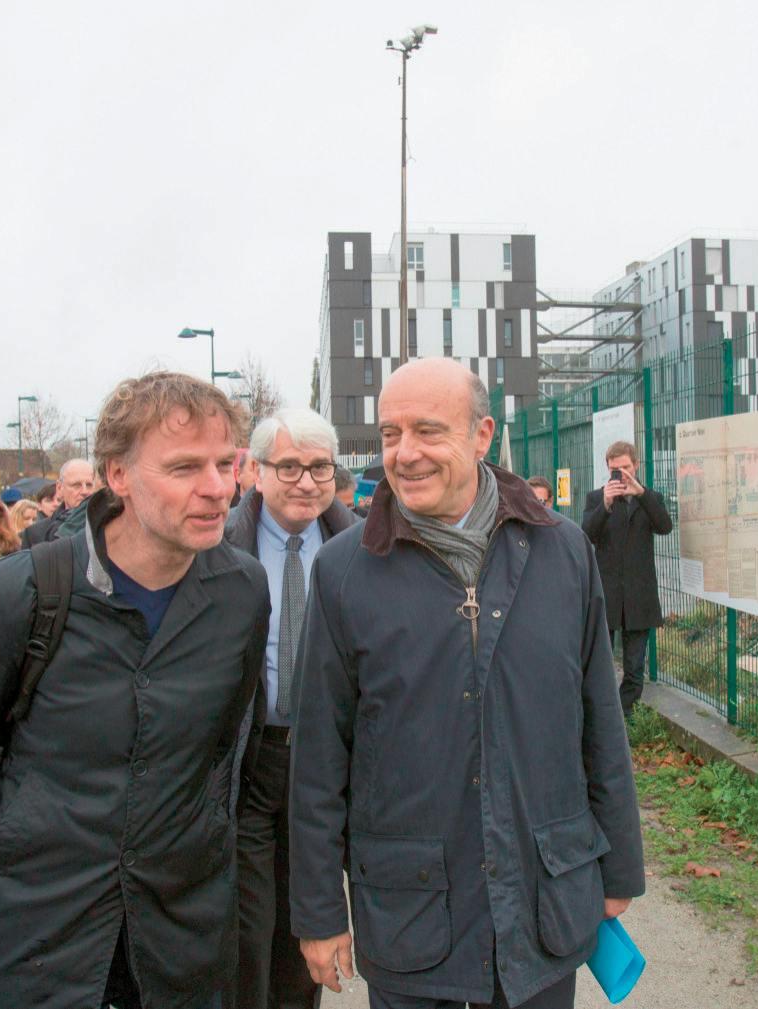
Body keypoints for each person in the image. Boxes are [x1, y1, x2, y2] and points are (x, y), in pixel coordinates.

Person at [290, 359, 644, 1009]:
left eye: (428, 430)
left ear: (482, 436)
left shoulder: (563, 551)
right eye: (391, 433)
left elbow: (598, 715)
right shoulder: (343, 571)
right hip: (412, 912)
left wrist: (618, 864)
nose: (406, 452)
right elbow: (317, 755)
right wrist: (317, 910)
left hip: (542, 899)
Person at [0, 372, 270, 1009]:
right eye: (185, 466)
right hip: (45, 939)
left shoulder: (242, 591)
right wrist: (23, 849)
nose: (218, 488)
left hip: (183, 938)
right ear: (118, 476)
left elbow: (229, 747)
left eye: (227, 462)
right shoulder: (21, 595)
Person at [223, 409, 357, 1009]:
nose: (306, 482)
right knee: (249, 928)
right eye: (289, 467)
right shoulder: (220, 545)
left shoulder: (363, 547)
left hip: (332, 766)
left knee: (313, 924)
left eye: (319, 467)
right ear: (255, 471)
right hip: (252, 761)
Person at [581, 441, 673, 719]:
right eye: (614, 469)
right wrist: (606, 505)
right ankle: (602, 716)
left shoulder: (650, 498)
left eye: (625, 468)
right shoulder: (597, 498)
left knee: (634, 667)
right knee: (601, 663)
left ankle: (623, 716)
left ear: (636, 466)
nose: (620, 475)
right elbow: (586, 536)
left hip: (639, 597)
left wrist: (642, 494)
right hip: (607, 595)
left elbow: (665, 526)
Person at [20, 458, 95, 548]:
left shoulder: (107, 528)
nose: (85, 491)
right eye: (76, 485)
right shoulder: (35, 534)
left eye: (89, 485)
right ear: (59, 487)